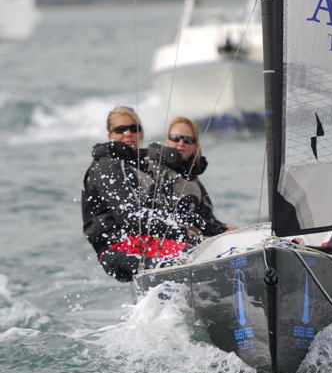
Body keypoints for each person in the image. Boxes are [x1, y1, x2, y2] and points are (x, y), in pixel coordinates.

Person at [82, 106, 191, 282]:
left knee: (197, 248)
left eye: (134, 128)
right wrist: (176, 231)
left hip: (141, 241)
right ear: (110, 135)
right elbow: (130, 217)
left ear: (141, 133)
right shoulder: (108, 165)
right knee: (188, 257)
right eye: (120, 129)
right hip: (116, 248)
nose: (128, 133)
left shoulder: (137, 165)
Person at [146, 115, 235, 239]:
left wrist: (223, 228)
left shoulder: (193, 180)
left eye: (188, 140)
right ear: (166, 140)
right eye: (175, 138)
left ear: (195, 146)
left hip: (192, 239)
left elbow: (204, 218)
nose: (181, 143)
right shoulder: (154, 169)